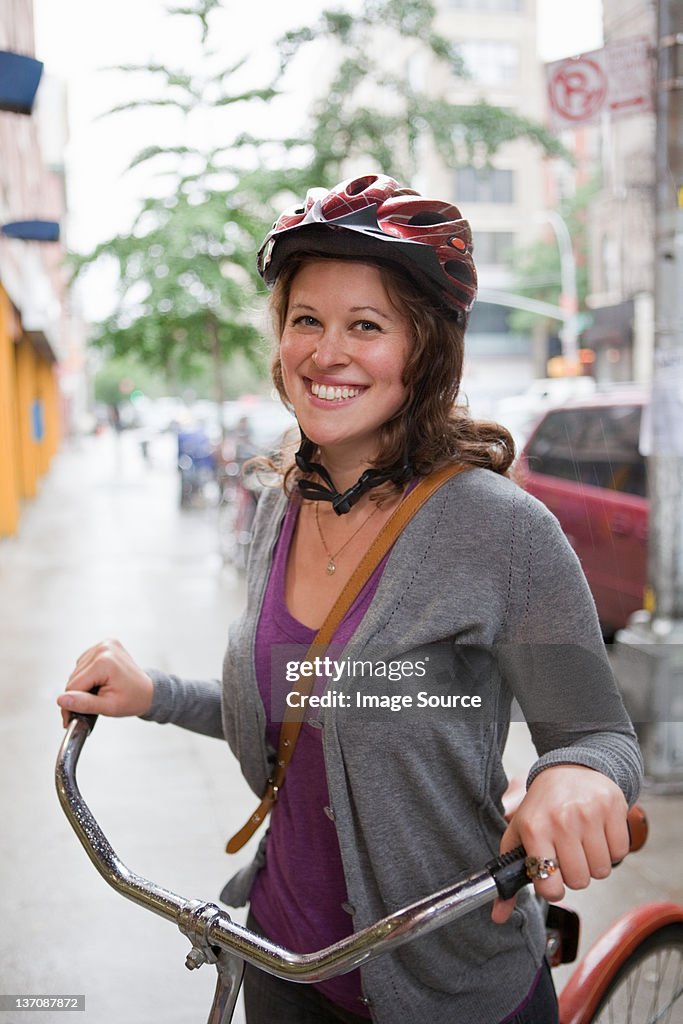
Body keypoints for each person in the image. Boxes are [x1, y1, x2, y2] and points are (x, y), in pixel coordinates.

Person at [58, 173, 642, 1024]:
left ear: (423, 351)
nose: (326, 352)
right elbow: (310, 700)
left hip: (447, 981)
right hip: (282, 960)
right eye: (306, 320)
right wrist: (156, 696)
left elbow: (597, 732)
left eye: (365, 325)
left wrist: (576, 772)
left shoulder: (501, 531)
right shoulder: (278, 505)